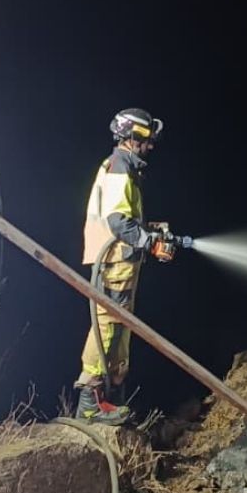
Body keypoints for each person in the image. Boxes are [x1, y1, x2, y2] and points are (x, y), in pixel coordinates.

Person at [75, 107, 183, 424]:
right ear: (132, 137)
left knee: (121, 329)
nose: (150, 147)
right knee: (107, 326)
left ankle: (112, 399)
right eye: (146, 140)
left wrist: (150, 231)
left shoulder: (125, 168)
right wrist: (150, 242)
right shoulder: (119, 167)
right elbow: (117, 221)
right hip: (113, 263)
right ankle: (90, 403)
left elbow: (126, 219)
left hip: (121, 263)